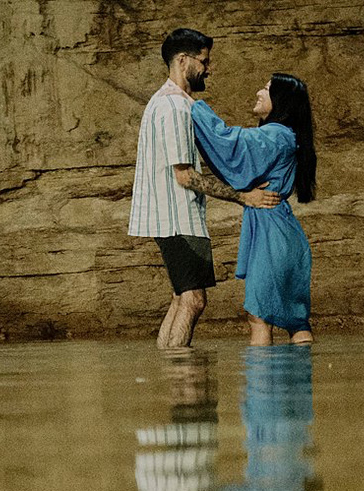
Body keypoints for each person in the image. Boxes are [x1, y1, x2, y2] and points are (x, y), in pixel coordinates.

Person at [128, 28, 282, 350]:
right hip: (177, 218)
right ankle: (182, 382)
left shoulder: (171, 103)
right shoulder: (174, 107)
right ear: (183, 61)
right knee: (194, 301)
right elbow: (185, 176)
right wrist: (245, 197)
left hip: (172, 217)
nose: (208, 69)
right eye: (204, 61)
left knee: (181, 298)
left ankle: (171, 368)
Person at [189, 74, 317, 345]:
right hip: (285, 232)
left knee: (259, 317)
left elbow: (230, 142)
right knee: (296, 321)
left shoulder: (275, 135)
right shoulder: (288, 136)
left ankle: (261, 387)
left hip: (272, 233)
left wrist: (192, 105)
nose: (259, 92)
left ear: (280, 101)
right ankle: (299, 385)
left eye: (267, 89)